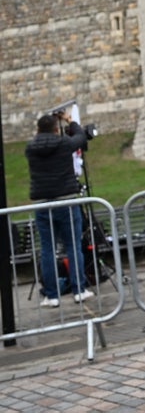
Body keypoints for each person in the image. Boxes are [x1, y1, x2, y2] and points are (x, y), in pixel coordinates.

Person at [26, 110, 94, 307]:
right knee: (73, 246)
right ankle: (79, 290)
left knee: (47, 249)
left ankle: (52, 295)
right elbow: (80, 137)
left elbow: (41, 140)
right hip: (65, 199)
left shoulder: (30, 147)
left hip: (42, 202)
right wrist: (70, 120)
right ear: (56, 129)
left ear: (38, 129)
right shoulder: (63, 143)